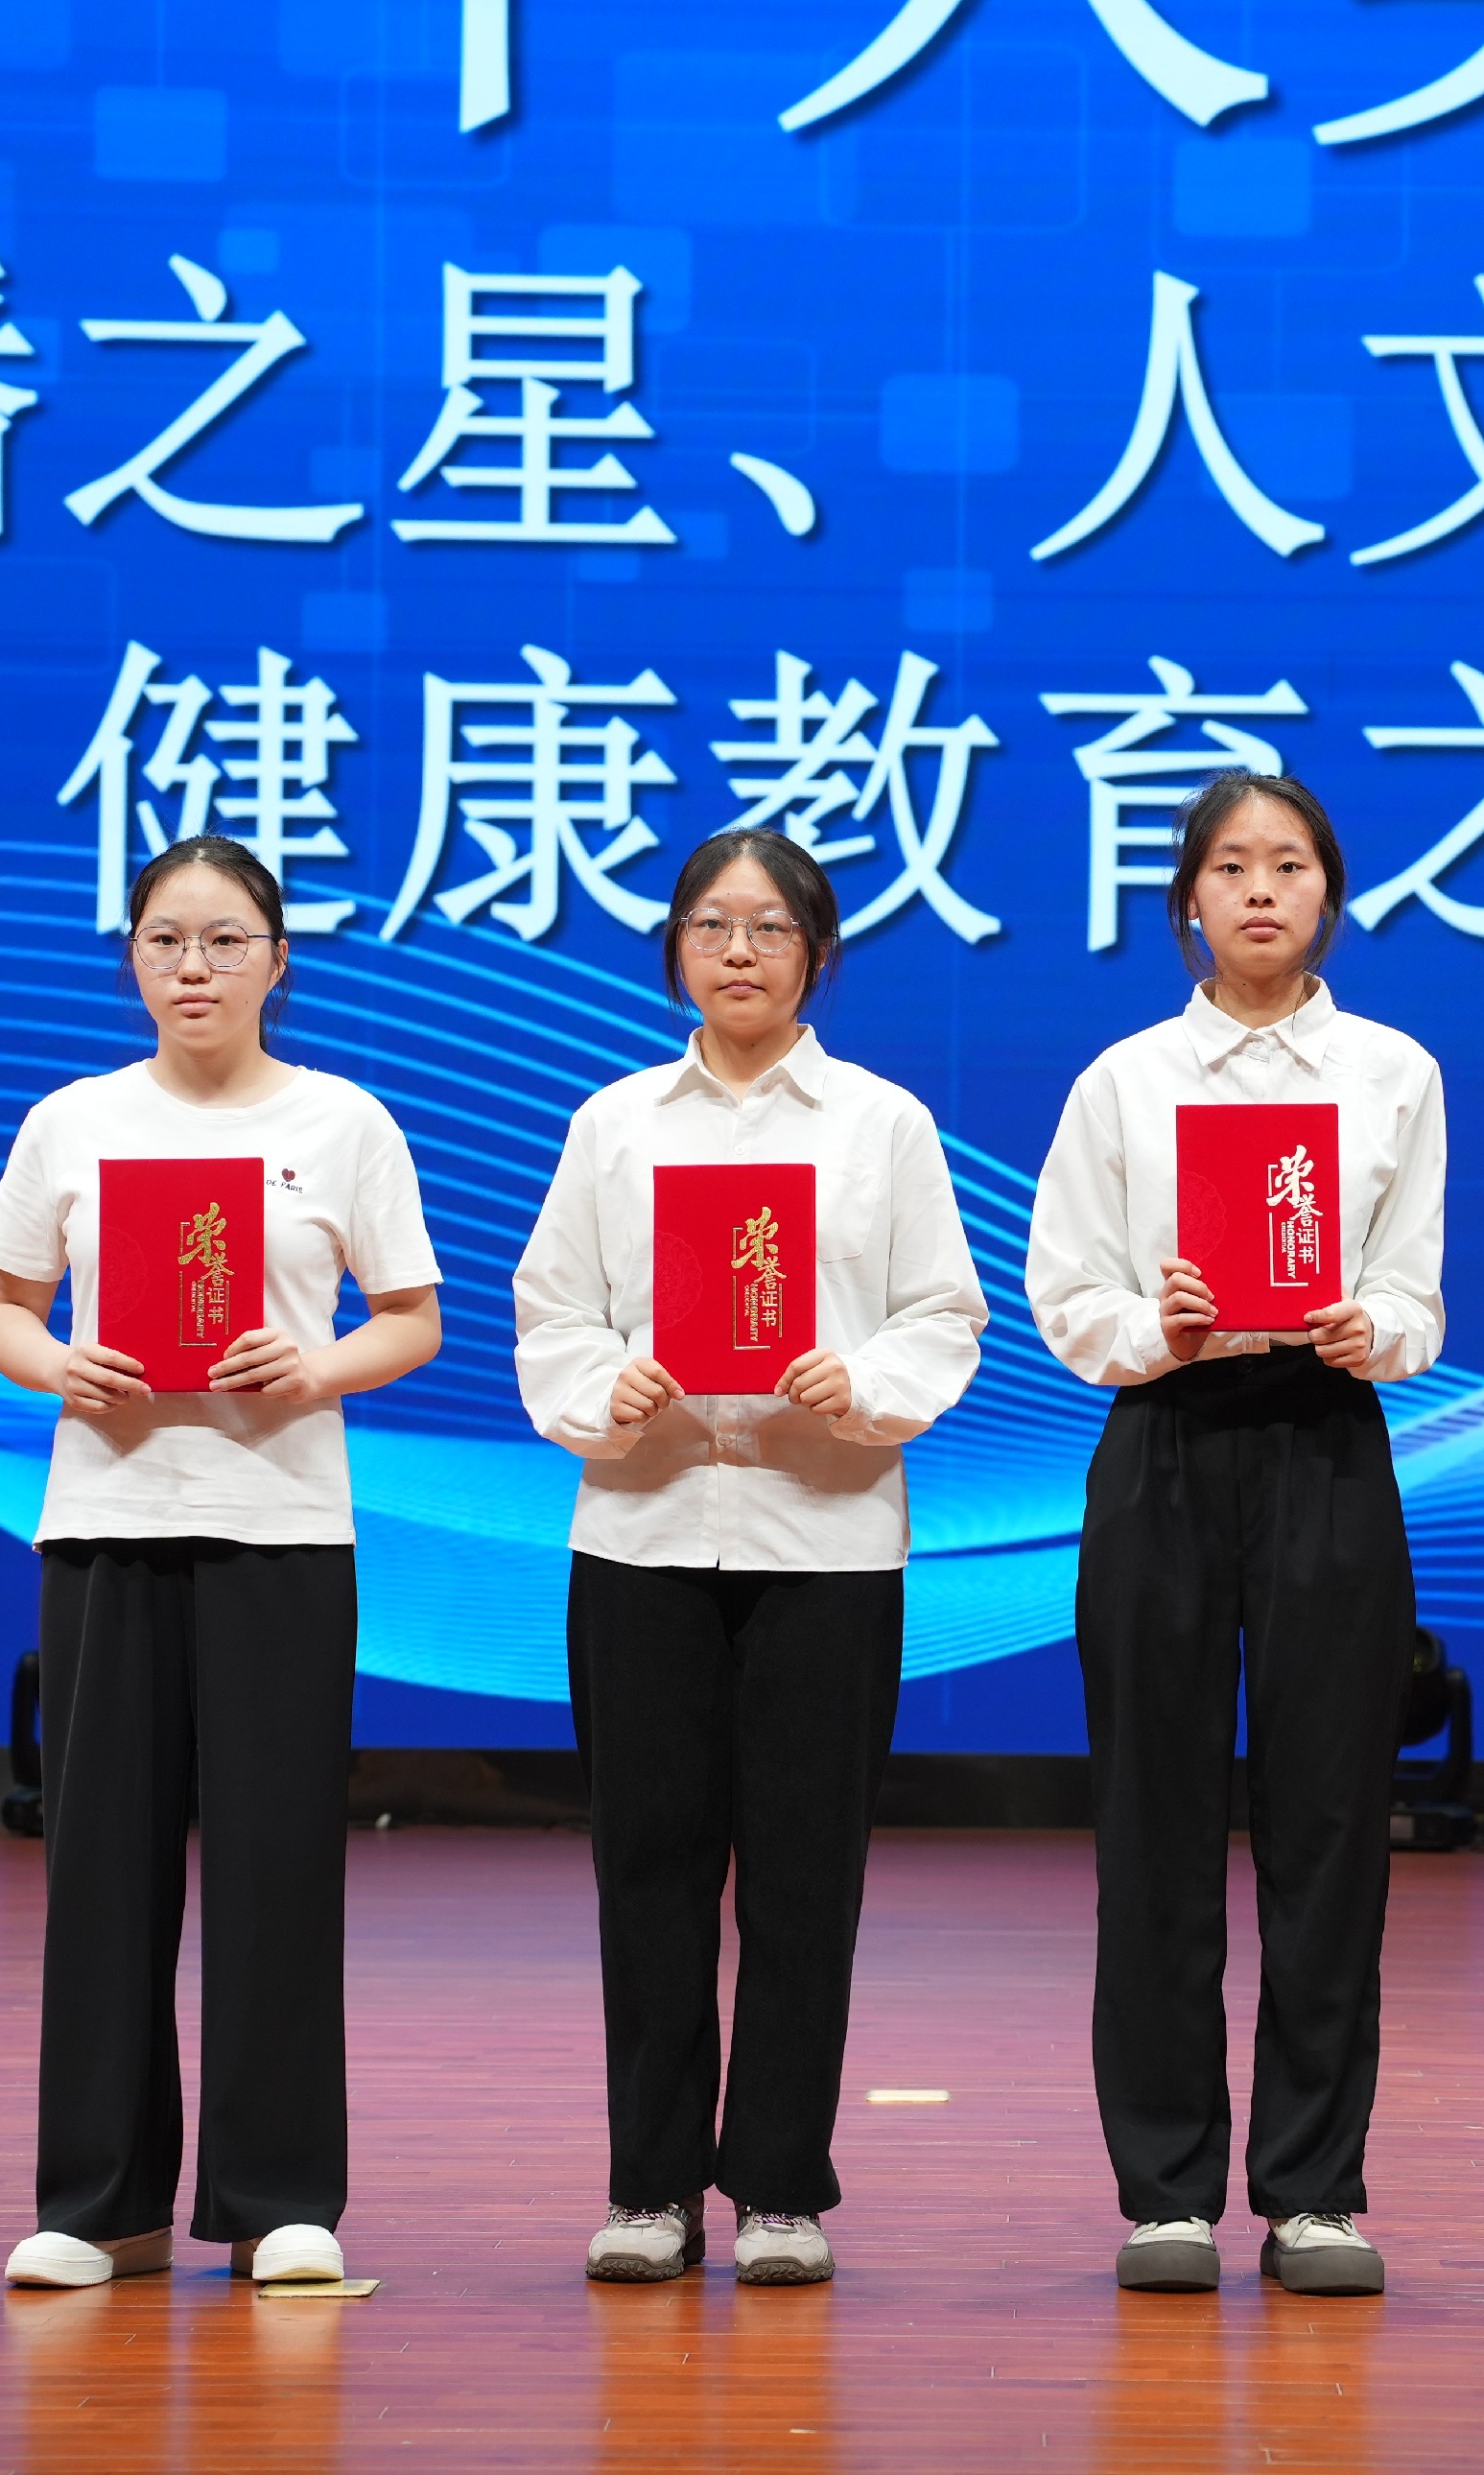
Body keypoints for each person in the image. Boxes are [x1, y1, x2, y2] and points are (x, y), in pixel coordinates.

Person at [513, 830, 987, 2289]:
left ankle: (780, 2184)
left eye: (769, 927)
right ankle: (650, 2184)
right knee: (648, 1868)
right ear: (675, 951)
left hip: (824, 1535)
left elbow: (942, 1313)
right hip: (645, 1529)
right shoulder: (614, 1125)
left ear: (816, 954)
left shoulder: (882, 1124)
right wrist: (610, 1387)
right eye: (711, 925)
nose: (738, 950)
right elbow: (552, 1312)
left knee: (803, 1875)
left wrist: (863, 1380)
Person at [0, 833, 446, 2292]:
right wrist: (60, 1365)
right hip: (107, 1527)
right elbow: (5, 1311)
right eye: (167, 940)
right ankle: (97, 2204)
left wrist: (313, 1368)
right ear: (132, 959)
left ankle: (280, 2197)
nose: (195, 967)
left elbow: (411, 1318)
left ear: (277, 961)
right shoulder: (73, 1120)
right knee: (102, 1870)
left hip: (281, 1532)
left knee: (276, 1864)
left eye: (226, 941)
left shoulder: (344, 1120)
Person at [1025, 772, 1449, 2300]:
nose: (1261, 890)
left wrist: (1369, 1326)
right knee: (1153, 1818)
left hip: (1328, 1440)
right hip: (1167, 1441)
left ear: (1329, 893)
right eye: (1230, 866)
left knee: (1332, 1821)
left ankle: (1316, 2188)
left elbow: (1416, 1288)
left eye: (1290, 864)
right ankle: (1167, 2189)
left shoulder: (1394, 1071)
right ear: (1188, 901)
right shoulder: (1125, 1080)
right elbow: (1067, 1292)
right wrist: (1160, 1324)